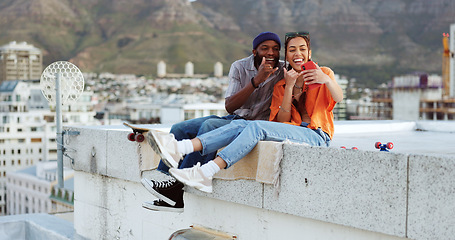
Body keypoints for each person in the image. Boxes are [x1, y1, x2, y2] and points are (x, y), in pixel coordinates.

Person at [147, 31, 343, 195]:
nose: (297, 53)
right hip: (291, 129)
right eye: (292, 49)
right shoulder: (283, 82)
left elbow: (339, 97)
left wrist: (326, 80)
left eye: (302, 49)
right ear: (288, 55)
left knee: (252, 126)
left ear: (310, 52)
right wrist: (290, 87)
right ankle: (179, 153)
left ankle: (201, 169)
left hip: (317, 134)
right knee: (240, 125)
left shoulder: (324, 73)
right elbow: (283, 121)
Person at [141, 32, 285, 212]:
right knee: (180, 128)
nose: (271, 52)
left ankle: (174, 190)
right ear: (254, 51)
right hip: (234, 117)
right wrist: (257, 81)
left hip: (252, 126)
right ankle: (169, 185)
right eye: (265, 48)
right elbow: (230, 106)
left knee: (209, 126)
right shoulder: (239, 67)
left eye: (276, 49)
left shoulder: (283, 71)